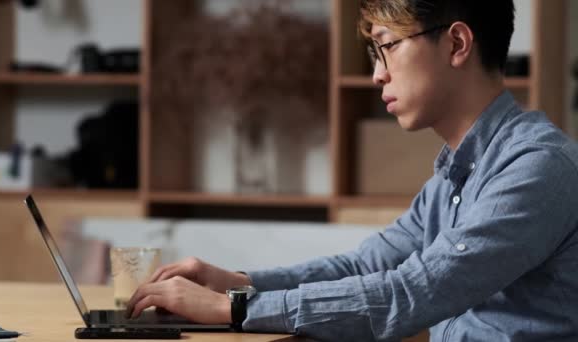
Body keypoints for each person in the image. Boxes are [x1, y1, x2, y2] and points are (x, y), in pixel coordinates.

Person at [125, 0, 578, 340]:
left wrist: (236, 309)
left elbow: (412, 293)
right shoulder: (453, 178)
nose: (377, 74)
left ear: (456, 44)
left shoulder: (536, 168)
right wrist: (240, 283)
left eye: (386, 47)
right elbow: (366, 265)